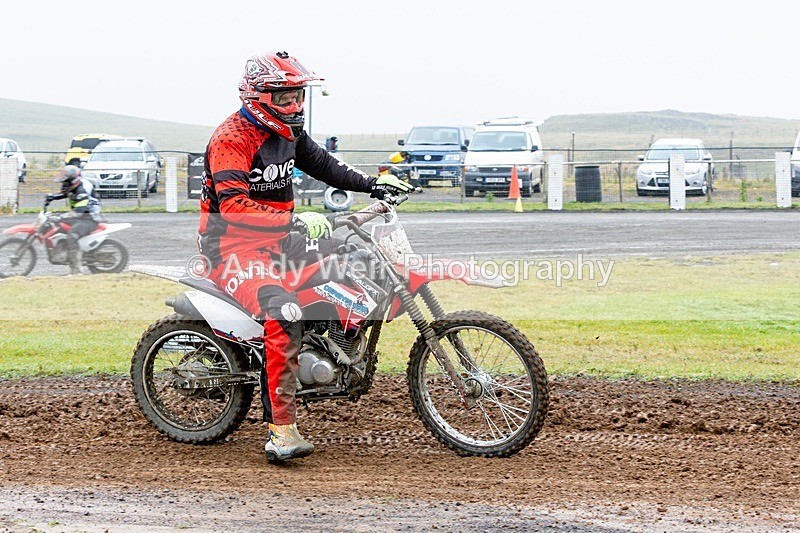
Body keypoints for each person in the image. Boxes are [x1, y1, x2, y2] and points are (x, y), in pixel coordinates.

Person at [198, 51, 412, 461]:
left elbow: (325, 166)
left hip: (281, 241)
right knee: (283, 311)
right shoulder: (231, 139)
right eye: (285, 98)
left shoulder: (288, 133)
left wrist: (375, 185)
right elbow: (233, 206)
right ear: (258, 96)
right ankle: (281, 432)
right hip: (233, 250)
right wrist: (294, 222)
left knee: (353, 259)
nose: (295, 106)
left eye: (298, 95)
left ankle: (329, 354)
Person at [46, 165, 101, 275]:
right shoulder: (75, 187)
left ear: (72, 181)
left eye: (66, 183)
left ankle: (76, 270)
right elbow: (66, 193)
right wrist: (52, 197)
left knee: (72, 235)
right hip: (80, 217)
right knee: (58, 226)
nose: (64, 185)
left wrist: (61, 216)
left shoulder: (82, 191)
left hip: (89, 219)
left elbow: (78, 212)